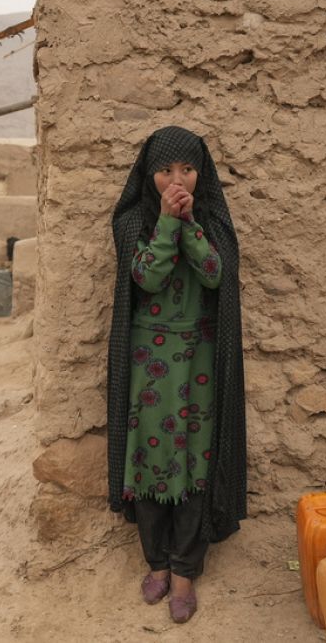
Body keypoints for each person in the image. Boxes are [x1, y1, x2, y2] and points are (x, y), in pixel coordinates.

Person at [107, 125, 247, 624]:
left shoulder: (211, 219)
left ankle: (185, 571)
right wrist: (166, 224)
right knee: (149, 460)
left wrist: (189, 225)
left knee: (192, 462)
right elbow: (146, 276)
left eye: (187, 169)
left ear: (201, 171)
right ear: (149, 176)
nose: (177, 179)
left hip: (199, 360)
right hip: (149, 361)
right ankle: (158, 563)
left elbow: (214, 274)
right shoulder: (132, 222)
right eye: (165, 171)